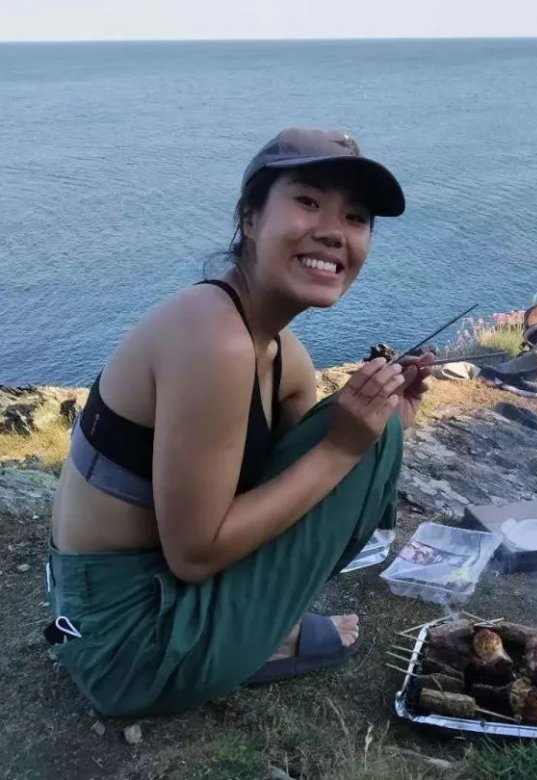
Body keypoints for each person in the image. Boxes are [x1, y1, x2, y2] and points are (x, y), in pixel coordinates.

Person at [46, 128, 434, 717]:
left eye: (355, 217)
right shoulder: (214, 337)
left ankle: (255, 625)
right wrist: (345, 448)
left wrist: (387, 423)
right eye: (307, 201)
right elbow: (195, 556)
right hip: (126, 645)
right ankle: (262, 637)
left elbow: (315, 497)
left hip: (117, 600)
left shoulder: (279, 350)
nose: (334, 231)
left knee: (370, 434)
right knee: (353, 442)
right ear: (250, 218)